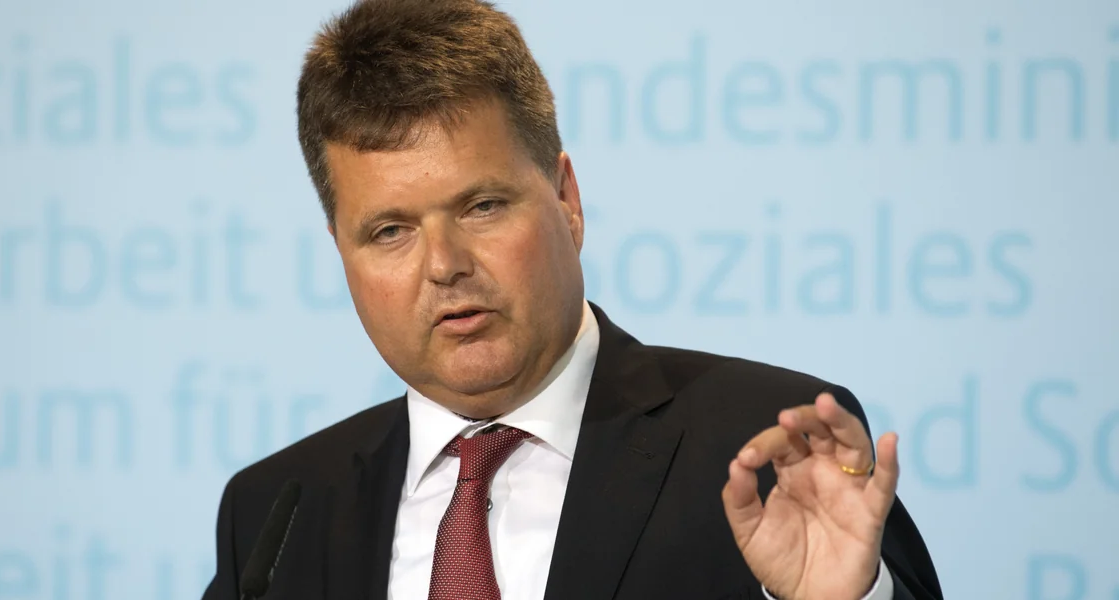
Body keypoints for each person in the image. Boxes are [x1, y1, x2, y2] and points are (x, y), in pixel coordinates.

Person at [200, 0, 943, 598]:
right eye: (390, 231)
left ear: (566, 199)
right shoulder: (274, 514)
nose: (445, 266)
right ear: (341, 251)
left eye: (483, 206)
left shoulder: (762, 450)